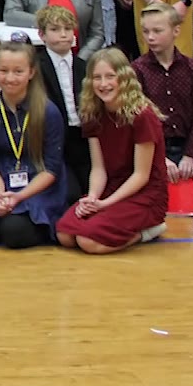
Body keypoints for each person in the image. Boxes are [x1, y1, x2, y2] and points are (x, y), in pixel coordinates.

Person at [56, 49, 170, 253]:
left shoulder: (142, 115)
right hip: (112, 187)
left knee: (88, 242)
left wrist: (106, 203)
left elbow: (141, 176)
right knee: (65, 234)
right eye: (97, 77)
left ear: (124, 78)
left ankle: (147, 231)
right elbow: (99, 168)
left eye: (110, 76)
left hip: (144, 195)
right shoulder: (93, 113)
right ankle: (111, 219)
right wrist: (92, 198)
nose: (103, 84)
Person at [0, 41, 66, 249]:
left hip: (38, 185)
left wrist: (18, 197)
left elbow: (51, 168)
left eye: (18, 71)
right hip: (2, 181)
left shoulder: (49, 112)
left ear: (31, 72)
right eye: (3, 70)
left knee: (14, 232)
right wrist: (1, 196)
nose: (10, 78)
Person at [132, 3, 193, 181]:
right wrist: (161, 158)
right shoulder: (137, 70)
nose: (150, 37)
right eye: (146, 31)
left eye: (157, 31)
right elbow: (137, 121)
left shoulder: (192, 68)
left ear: (176, 31)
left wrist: (190, 155)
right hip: (152, 149)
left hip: (185, 148)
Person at [32, 4, 91, 202]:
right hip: (54, 140)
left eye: (67, 29)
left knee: (90, 185)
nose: (63, 34)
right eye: (55, 30)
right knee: (69, 192)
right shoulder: (36, 67)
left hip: (82, 138)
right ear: (42, 35)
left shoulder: (84, 66)